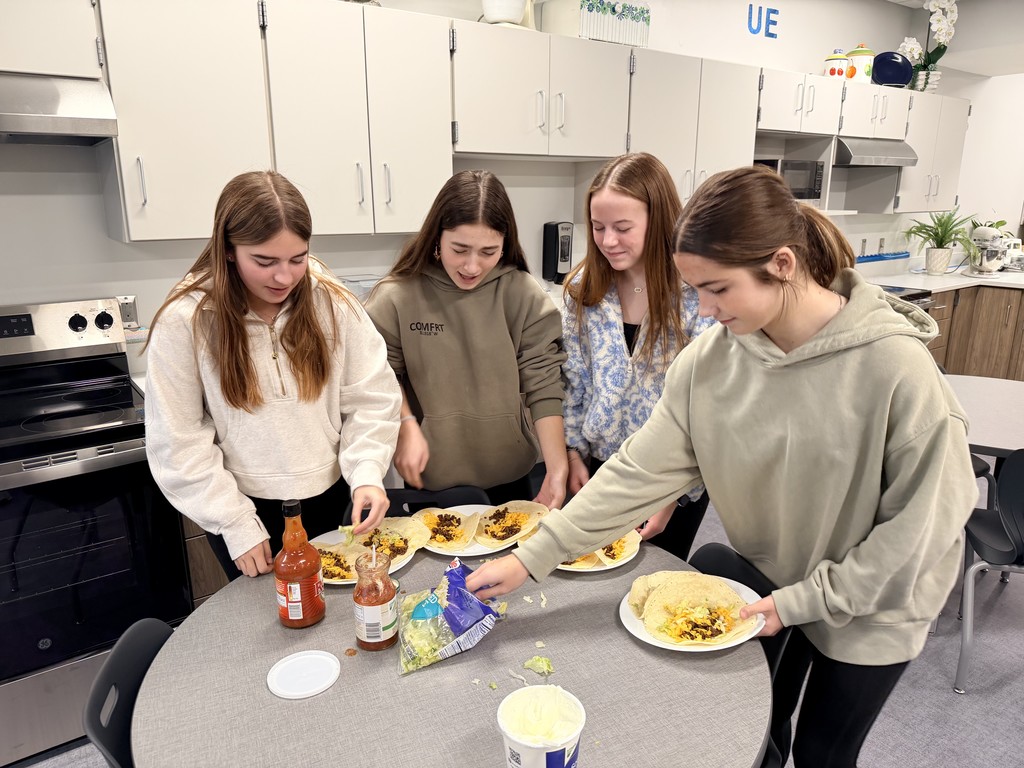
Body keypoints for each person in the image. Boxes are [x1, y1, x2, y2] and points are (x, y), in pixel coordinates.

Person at [467, 164, 978, 767]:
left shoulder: (897, 370)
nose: (704, 312)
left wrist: (801, 602)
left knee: (823, 755)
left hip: (876, 602)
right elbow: (637, 473)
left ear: (782, 265)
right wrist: (535, 554)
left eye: (718, 289)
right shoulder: (711, 362)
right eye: (696, 289)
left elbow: (921, 532)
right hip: (774, 578)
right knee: (764, 733)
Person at [145, 170, 402, 580]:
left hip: (334, 494)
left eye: (297, 259)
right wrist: (235, 523)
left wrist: (367, 472)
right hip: (246, 508)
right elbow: (177, 439)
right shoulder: (186, 319)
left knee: (338, 617)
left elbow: (372, 397)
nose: (284, 277)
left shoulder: (332, 303)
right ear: (228, 250)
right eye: (264, 262)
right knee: (272, 625)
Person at [364, 170, 568, 508]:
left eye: (488, 252)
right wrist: (406, 424)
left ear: (505, 245)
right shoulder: (396, 296)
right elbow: (381, 374)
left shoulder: (522, 294)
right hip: (431, 480)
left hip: (509, 473)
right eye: (459, 249)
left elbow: (544, 385)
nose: (472, 266)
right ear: (436, 238)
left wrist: (557, 468)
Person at [562, 152, 715, 559]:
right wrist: (573, 451)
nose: (608, 240)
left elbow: (707, 407)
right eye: (598, 227)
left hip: (673, 483)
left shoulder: (699, 293)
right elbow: (574, 382)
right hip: (601, 472)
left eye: (623, 228)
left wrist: (670, 494)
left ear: (659, 219)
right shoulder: (584, 288)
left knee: (655, 590)